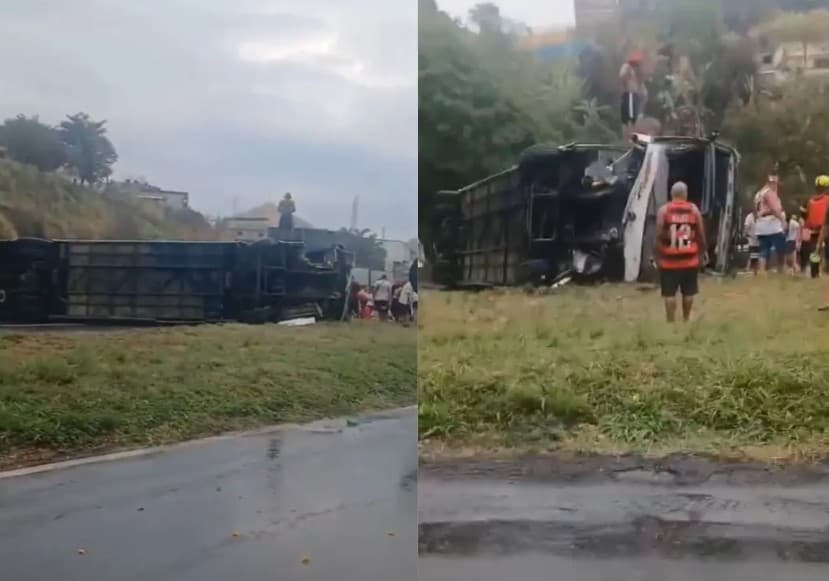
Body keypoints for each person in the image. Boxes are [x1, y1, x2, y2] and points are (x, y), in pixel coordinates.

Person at [654, 181, 707, 323]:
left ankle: (670, 321)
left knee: (669, 294)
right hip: (689, 260)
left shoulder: (664, 211)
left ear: (672, 194)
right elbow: (701, 234)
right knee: (688, 292)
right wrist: (702, 252)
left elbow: (658, 235)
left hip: (668, 261)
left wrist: (657, 255)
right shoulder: (694, 210)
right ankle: (686, 318)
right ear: (685, 194)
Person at [753, 173, 786, 273]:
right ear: (770, 183)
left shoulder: (759, 193)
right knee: (781, 247)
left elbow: (755, 211)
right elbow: (774, 209)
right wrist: (782, 220)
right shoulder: (769, 193)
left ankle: (762, 271)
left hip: (761, 224)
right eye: (774, 183)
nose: (776, 186)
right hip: (771, 224)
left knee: (764, 249)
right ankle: (781, 269)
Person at [619, 50, 647, 142]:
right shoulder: (627, 67)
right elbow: (622, 76)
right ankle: (628, 139)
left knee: (632, 118)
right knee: (629, 119)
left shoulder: (634, 70)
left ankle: (631, 138)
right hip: (629, 94)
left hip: (633, 95)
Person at [804, 175, 829, 276]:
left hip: (814, 231)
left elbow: (805, 217)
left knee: (815, 253)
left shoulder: (810, 201)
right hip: (826, 231)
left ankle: (814, 274)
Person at [743, 211, 759, 275]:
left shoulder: (761, 215)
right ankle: (749, 268)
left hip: (759, 240)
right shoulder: (749, 217)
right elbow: (746, 228)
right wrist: (746, 233)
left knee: (755, 256)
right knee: (753, 255)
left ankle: (751, 269)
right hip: (752, 240)